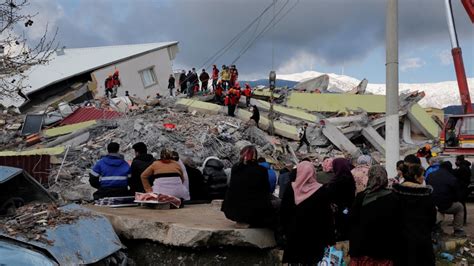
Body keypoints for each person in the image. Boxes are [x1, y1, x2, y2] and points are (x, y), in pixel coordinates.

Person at [280, 161, 335, 264]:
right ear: (313, 173)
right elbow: (327, 216)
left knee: (295, 261)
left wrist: (284, 230)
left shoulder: (291, 188)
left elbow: (284, 212)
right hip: (314, 236)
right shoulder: (320, 189)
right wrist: (330, 238)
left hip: (294, 233)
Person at [349, 165, 400, 265]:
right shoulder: (393, 197)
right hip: (384, 249)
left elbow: (353, 221)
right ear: (385, 178)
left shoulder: (361, 197)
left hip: (363, 248)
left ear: (370, 177)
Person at [392, 164, 436, 266]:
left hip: (401, 237)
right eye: (422, 175)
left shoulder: (397, 190)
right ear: (416, 177)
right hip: (421, 236)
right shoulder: (425, 193)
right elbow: (432, 217)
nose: (424, 177)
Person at [221, 145, 275, 227]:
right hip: (252, 211)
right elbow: (265, 190)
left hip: (232, 209)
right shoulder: (261, 170)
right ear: (255, 156)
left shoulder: (235, 167)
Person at [427, 161, 466, 237]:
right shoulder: (452, 178)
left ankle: (437, 229)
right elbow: (457, 196)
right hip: (445, 204)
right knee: (460, 207)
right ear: (449, 168)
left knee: (439, 209)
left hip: (432, 204)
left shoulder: (430, 175)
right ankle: (458, 230)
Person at [327, 158, 356, 241]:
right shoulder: (351, 179)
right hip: (349, 209)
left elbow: (329, 196)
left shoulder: (335, 181)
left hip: (338, 212)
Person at [454, 155, 471, 225]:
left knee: (461, 205)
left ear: (459, 160)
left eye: (456, 160)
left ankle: (462, 221)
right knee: (460, 204)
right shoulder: (465, 166)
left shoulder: (462, 168)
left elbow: (458, 176)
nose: (455, 162)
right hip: (464, 188)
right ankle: (460, 220)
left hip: (462, 188)